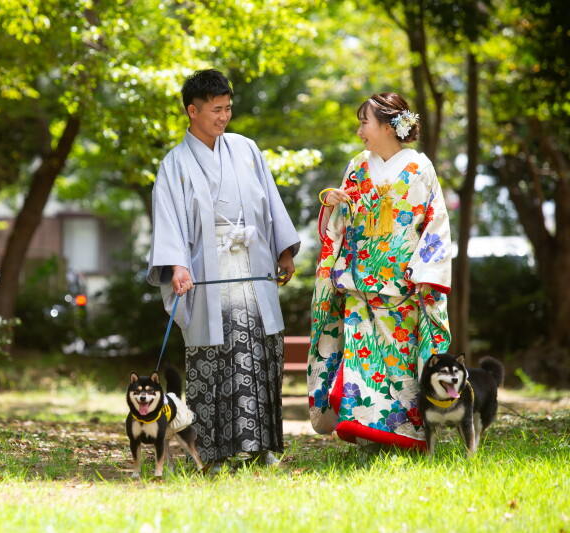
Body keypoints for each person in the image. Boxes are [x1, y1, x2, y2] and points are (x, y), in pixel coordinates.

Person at [147, 69, 300, 470]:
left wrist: (285, 251)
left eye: (228, 108)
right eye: (216, 109)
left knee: (260, 349)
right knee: (213, 355)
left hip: (252, 267)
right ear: (192, 111)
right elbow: (168, 222)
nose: (224, 117)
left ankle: (263, 447)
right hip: (206, 272)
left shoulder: (247, 149)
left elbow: (271, 204)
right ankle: (212, 453)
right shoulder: (174, 164)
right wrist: (177, 264)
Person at [307, 92, 452, 452]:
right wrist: (332, 203)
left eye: (364, 122)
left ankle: (407, 436)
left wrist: (425, 273)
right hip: (358, 284)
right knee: (360, 361)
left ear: (389, 127)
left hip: (401, 286)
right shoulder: (358, 165)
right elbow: (338, 222)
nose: (359, 131)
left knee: (398, 363)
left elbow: (436, 223)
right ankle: (366, 440)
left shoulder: (420, 168)